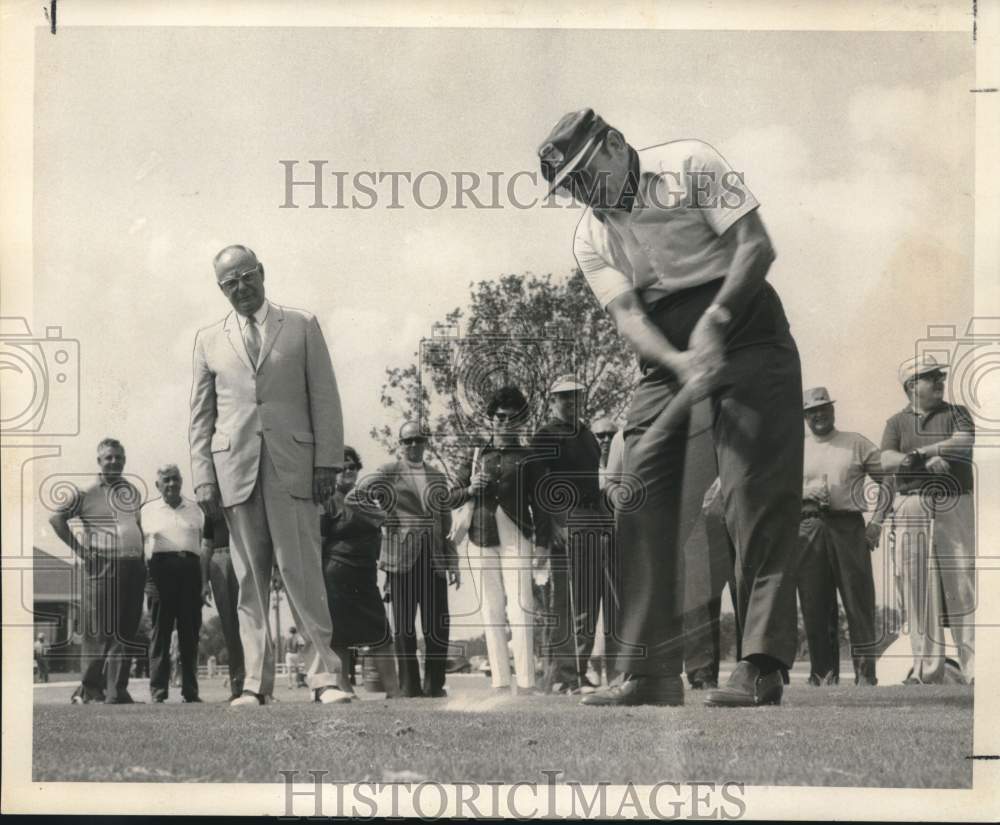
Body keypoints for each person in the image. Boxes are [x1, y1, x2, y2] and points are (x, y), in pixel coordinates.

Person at [539, 109, 802, 707]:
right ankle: (650, 672)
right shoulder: (589, 235)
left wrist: (718, 319)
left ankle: (761, 665)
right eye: (569, 187)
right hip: (666, 351)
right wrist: (678, 361)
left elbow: (755, 247)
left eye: (584, 175)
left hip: (748, 324)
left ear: (612, 145)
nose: (581, 194)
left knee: (752, 495)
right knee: (638, 493)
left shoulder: (692, 162)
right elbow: (628, 315)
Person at [189, 244, 350, 706]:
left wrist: (327, 463)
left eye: (246, 276)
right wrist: (204, 477)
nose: (240, 288)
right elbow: (201, 417)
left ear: (262, 273)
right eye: (229, 283)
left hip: (295, 468)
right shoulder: (207, 339)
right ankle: (254, 686)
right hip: (234, 470)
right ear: (221, 289)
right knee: (249, 582)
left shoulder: (301, 325)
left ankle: (326, 680)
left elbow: (325, 399)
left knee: (302, 574)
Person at [450, 387, 553, 695]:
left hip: (516, 534)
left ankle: (525, 682)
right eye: (500, 417)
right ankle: (499, 681)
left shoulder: (530, 457)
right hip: (481, 535)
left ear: (521, 422)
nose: (506, 423)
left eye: (513, 418)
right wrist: (470, 488)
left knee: (521, 606)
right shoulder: (475, 454)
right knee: (491, 608)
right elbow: (450, 497)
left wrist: (543, 544)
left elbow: (543, 504)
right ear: (490, 419)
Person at [879, 354, 975, 684]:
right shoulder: (896, 422)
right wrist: (917, 462)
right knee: (918, 589)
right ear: (911, 386)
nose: (939, 381)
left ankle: (974, 671)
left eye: (939, 376)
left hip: (953, 502)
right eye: (929, 376)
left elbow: (964, 443)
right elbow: (886, 460)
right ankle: (926, 672)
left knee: (961, 586)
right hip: (911, 505)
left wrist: (925, 452)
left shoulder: (956, 412)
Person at [358, 422, 459, 698]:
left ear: (426, 442)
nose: (413, 445)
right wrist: (382, 518)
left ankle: (434, 686)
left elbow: (446, 524)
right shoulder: (388, 472)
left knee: (437, 625)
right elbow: (357, 497)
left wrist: (453, 563)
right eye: (408, 441)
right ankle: (409, 687)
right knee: (404, 627)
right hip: (402, 559)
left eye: (418, 440)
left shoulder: (438, 477)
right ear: (399, 444)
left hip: (434, 559)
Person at [796, 386, 885, 687]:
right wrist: (805, 492)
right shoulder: (796, 447)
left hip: (848, 526)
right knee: (814, 603)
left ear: (833, 410)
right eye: (812, 411)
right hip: (808, 526)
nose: (818, 415)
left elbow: (888, 480)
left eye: (824, 408)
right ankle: (822, 675)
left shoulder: (855, 443)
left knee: (857, 601)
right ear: (805, 416)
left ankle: (865, 676)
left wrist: (877, 523)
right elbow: (778, 491)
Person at [49, 437, 146, 704]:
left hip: (133, 566)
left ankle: (117, 691)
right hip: (103, 565)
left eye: (118, 457)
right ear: (99, 461)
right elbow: (56, 518)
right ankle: (90, 689)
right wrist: (81, 550)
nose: (114, 461)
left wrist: (142, 560)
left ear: (124, 460)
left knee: (126, 629)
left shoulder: (132, 491)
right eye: (109, 457)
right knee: (100, 629)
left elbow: (136, 526)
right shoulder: (87, 491)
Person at [530, 377, 606, 695]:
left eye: (576, 397)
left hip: (592, 520)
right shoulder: (545, 435)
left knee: (589, 598)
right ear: (553, 401)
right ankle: (563, 674)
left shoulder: (588, 435)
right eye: (564, 398)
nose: (571, 402)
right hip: (564, 520)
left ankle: (579, 668)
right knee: (563, 601)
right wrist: (550, 529)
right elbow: (539, 488)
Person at [321, 445, 401, 698]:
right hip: (336, 574)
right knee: (340, 635)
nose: (347, 471)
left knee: (380, 633)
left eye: (352, 467)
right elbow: (318, 542)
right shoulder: (326, 501)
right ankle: (344, 689)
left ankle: (394, 691)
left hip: (366, 575)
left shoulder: (368, 500)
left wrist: (389, 571)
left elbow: (386, 537)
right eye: (341, 467)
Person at [140, 464, 204, 703]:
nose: (171, 484)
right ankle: (158, 691)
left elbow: (204, 544)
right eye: (166, 480)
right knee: (160, 633)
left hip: (190, 570)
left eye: (175, 479)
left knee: (190, 633)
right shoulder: (147, 510)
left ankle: (190, 690)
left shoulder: (196, 510)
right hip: (159, 572)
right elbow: (139, 546)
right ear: (158, 485)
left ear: (182, 481)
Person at [200, 512, 246, 700]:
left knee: (256, 624)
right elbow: (206, 545)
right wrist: (204, 582)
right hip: (222, 557)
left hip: (247, 552)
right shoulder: (211, 508)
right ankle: (238, 686)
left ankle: (262, 685)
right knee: (230, 627)